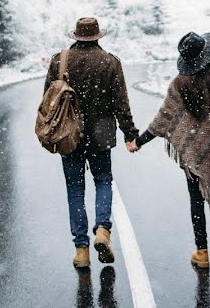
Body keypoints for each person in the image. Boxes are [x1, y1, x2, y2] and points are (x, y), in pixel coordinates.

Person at [130, 32, 210, 269]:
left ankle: (201, 253)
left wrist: (138, 142)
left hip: (192, 152)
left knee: (196, 200)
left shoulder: (178, 85)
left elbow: (162, 119)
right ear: (207, 57)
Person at [45, 17, 139, 269]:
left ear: (75, 36)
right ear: (98, 36)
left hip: (69, 135)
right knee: (103, 181)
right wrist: (130, 134)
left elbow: (49, 100)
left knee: (75, 190)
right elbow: (121, 104)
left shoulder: (59, 61)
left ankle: (81, 251)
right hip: (101, 134)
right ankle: (103, 230)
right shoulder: (110, 62)